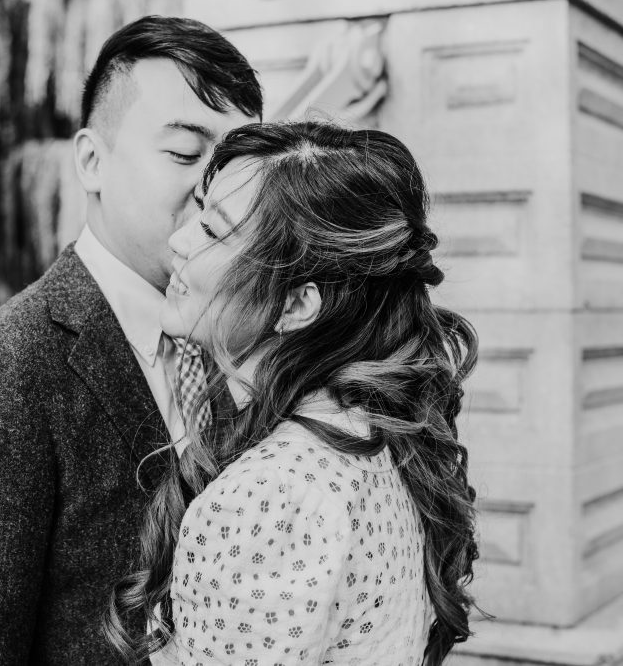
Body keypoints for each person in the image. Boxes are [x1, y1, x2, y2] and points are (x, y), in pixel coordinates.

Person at [0, 15, 261, 664]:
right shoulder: (2, 376)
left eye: (235, 163)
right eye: (186, 154)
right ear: (92, 162)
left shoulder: (243, 343)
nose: (215, 188)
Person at [105, 121, 480, 665]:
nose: (179, 242)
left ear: (298, 304)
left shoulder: (268, 497)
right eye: (199, 214)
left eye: (213, 232)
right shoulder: (375, 434)